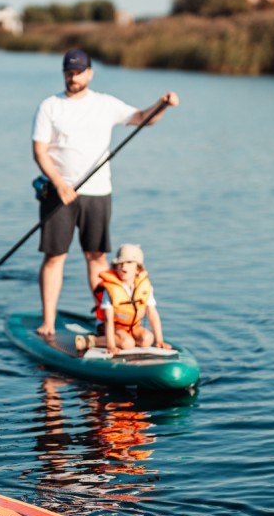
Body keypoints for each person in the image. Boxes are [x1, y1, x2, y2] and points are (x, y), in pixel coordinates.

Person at [31, 48, 179, 336]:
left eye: (78, 72)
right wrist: (60, 183)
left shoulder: (105, 104)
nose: (73, 77)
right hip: (59, 193)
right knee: (54, 257)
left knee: (96, 257)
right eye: (69, 72)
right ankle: (48, 321)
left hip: (98, 192)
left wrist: (162, 105)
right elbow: (39, 151)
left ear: (90, 73)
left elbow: (142, 118)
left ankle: (105, 318)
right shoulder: (50, 106)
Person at [82, 243, 174, 356]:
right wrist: (111, 346)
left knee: (147, 339)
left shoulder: (145, 286)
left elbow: (152, 314)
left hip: (130, 326)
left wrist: (159, 341)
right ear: (115, 267)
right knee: (127, 343)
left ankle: (125, 338)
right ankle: (91, 341)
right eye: (120, 263)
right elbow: (108, 319)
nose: (123, 266)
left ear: (138, 269)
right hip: (109, 326)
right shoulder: (111, 288)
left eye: (129, 262)